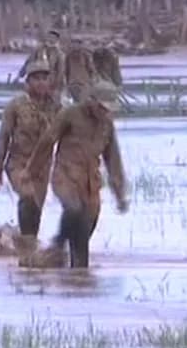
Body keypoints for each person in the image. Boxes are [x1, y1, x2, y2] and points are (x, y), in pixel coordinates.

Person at [21, 80, 128, 268]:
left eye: (108, 109)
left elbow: (113, 161)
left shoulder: (107, 124)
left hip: (91, 183)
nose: (105, 112)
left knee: (84, 232)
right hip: (65, 176)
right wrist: (31, 171)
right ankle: (58, 244)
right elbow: (47, 141)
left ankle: (78, 275)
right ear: (91, 101)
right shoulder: (70, 114)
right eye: (102, 108)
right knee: (73, 209)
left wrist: (120, 194)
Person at [0, 60, 62, 243]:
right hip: (19, 163)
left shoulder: (56, 107)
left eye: (44, 78)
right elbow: (3, 137)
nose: (40, 83)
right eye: (36, 79)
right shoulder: (16, 105)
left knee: (36, 208)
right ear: (27, 82)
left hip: (42, 166)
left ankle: (29, 248)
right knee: (28, 197)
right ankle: (25, 243)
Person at [16, 29, 66, 101]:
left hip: (51, 83)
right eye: (50, 37)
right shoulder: (39, 50)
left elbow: (60, 71)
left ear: (56, 39)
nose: (51, 39)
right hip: (36, 81)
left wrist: (56, 86)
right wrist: (20, 75)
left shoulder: (59, 54)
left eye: (53, 37)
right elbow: (29, 62)